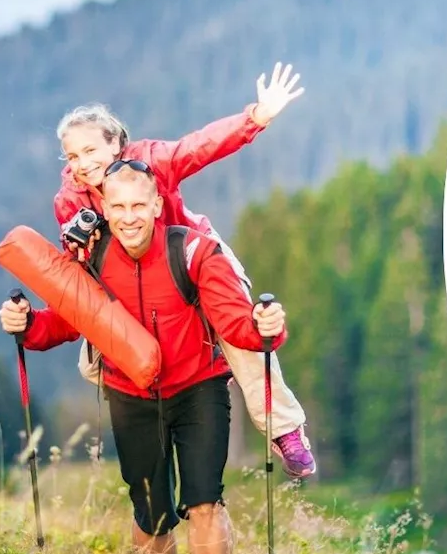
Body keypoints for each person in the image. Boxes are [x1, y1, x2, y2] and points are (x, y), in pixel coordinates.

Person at [0, 162, 287, 554]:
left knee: (204, 501)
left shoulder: (194, 252)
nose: (129, 216)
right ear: (106, 209)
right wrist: (26, 325)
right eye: (118, 206)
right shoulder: (93, 258)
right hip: (130, 393)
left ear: (157, 205)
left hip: (198, 390)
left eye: (138, 205)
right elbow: (65, 322)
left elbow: (234, 324)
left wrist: (267, 327)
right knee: (151, 515)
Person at [51, 61, 315, 478]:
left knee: (240, 332)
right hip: (134, 280)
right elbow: (76, 271)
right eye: (72, 156)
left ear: (117, 143)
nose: (82, 164)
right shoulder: (70, 200)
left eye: (90, 151)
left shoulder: (150, 162)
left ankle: (284, 429)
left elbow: (198, 146)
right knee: (91, 364)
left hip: (191, 256)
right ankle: (188, 370)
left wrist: (255, 118)